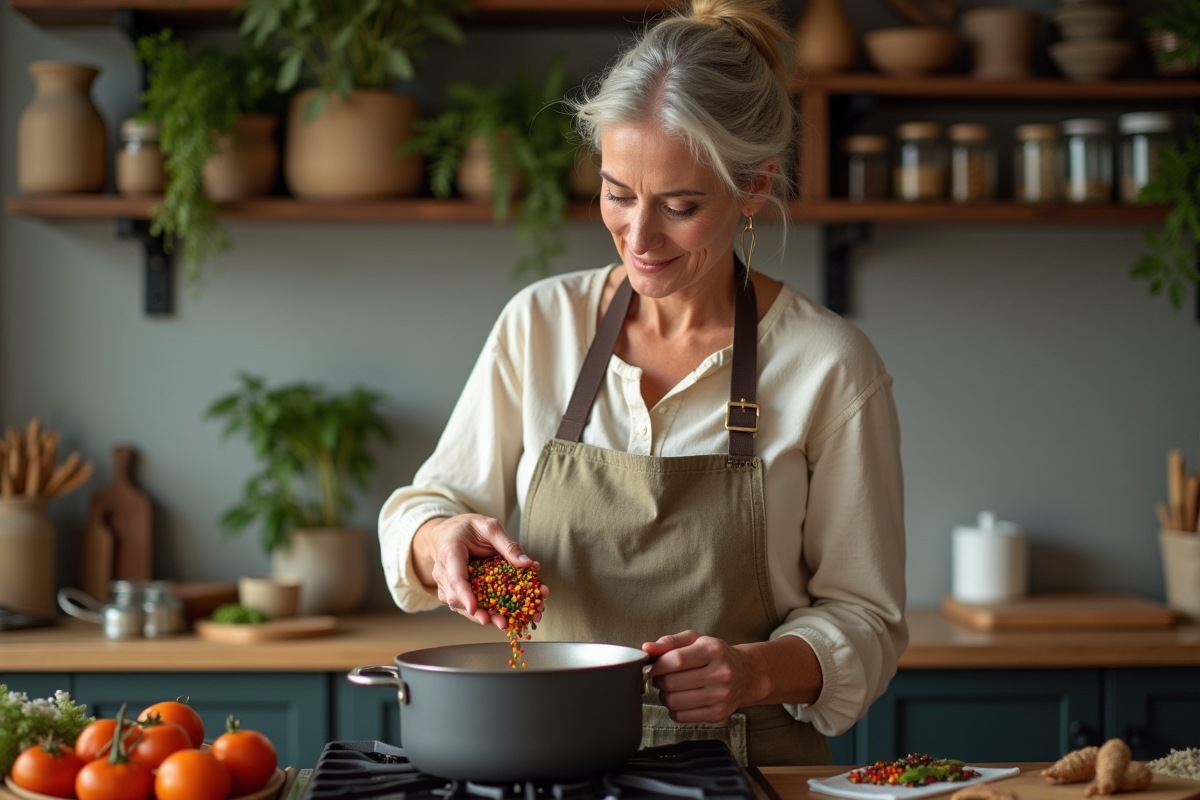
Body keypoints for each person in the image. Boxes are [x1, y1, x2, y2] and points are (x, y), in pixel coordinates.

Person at [379, 0, 906, 767]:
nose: (639, 237)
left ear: (753, 188)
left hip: (752, 770)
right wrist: (439, 541)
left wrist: (755, 670)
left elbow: (868, 619)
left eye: (680, 206)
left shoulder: (829, 365)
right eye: (618, 193)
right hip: (546, 761)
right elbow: (424, 509)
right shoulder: (541, 324)